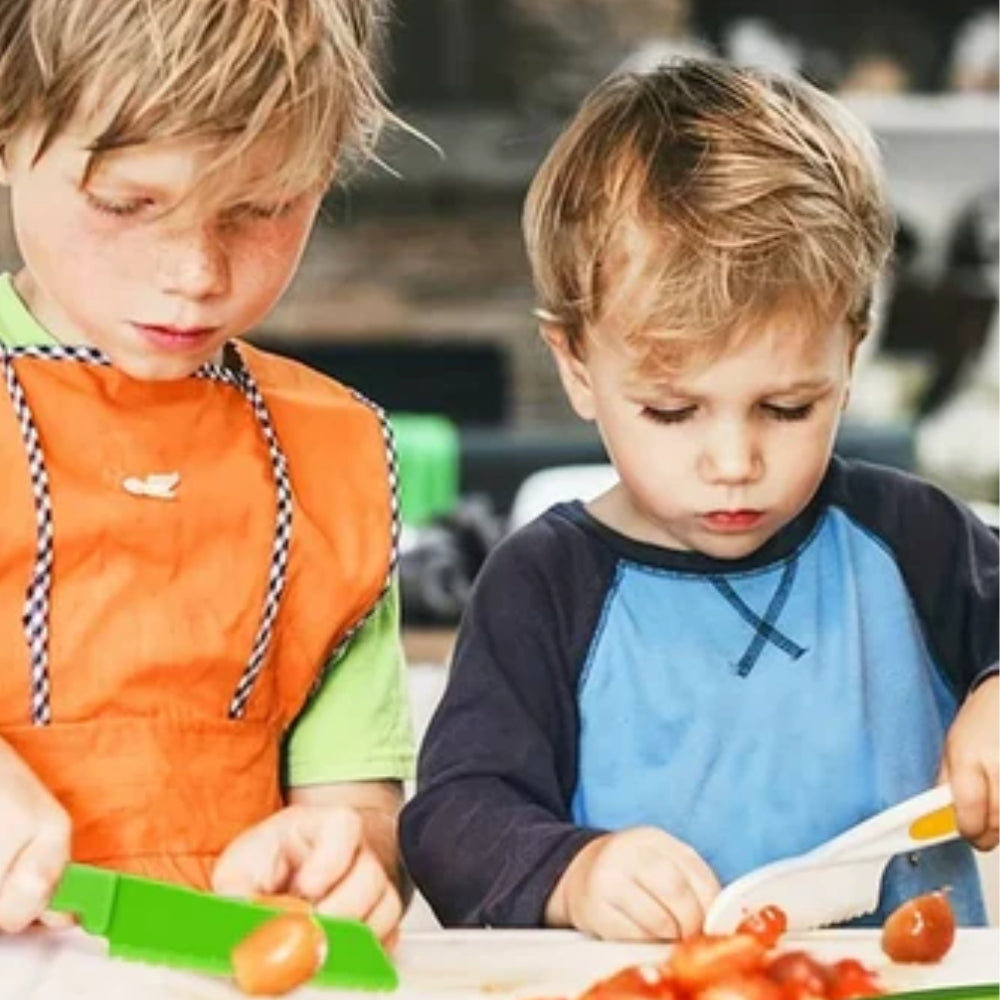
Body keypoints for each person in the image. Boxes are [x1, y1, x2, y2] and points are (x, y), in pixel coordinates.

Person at [400, 59, 998, 940]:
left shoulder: (915, 539)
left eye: (787, 407)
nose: (733, 461)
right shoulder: (542, 586)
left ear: (852, 349)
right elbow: (454, 818)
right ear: (576, 366)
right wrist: (573, 871)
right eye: (673, 410)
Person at [0, 0, 415, 943]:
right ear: (9, 128)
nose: (194, 271)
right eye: (127, 204)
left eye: (261, 210)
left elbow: (359, 809)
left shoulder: (333, 459)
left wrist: (349, 856)